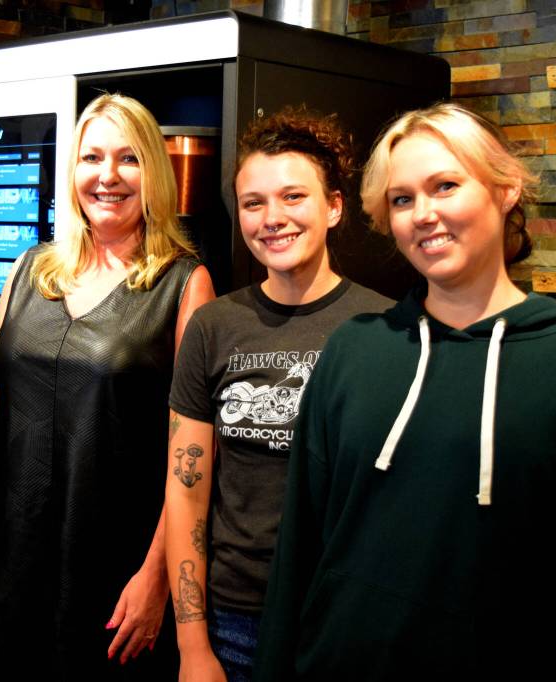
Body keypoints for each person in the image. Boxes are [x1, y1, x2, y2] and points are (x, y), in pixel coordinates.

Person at [255, 102, 556, 681]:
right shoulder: (353, 350)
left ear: (505, 189)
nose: (423, 214)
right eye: (402, 199)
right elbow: (299, 551)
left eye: (445, 186)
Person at [0, 93, 215, 680]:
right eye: (92, 157)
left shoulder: (185, 284)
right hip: (22, 551)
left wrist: (157, 576)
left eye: (129, 159)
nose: (108, 176)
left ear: (153, 174)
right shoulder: (30, 270)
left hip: (116, 565)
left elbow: (192, 454)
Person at [164, 108, 390, 682]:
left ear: (333, 207)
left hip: (345, 616)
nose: (272, 218)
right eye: (253, 202)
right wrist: (192, 646)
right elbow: (186, 493)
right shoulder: (214, 326)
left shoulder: (387, 327)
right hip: (236, 621)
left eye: (293, 197)